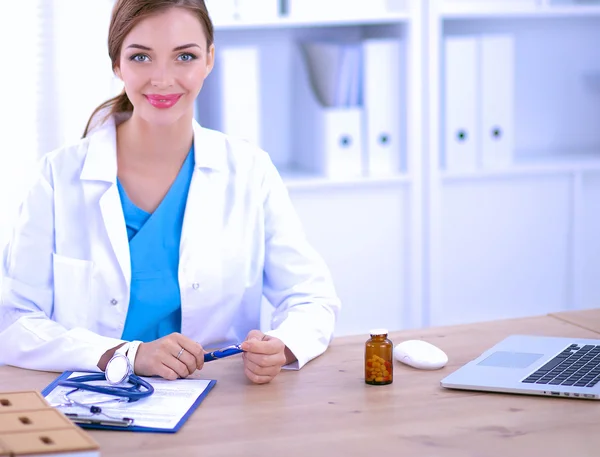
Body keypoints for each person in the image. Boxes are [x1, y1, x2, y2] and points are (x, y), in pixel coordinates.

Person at [0, 0, 341, 384]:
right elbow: (13, 322)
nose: (162, 78)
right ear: (117, 64)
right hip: (93, 401)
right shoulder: (56, 177)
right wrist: (125, 355)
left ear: (209, 59)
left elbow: (310, 297)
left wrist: (283, 344)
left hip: (219, 400)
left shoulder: (249, 170)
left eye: (185, 56)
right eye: (141, 56)